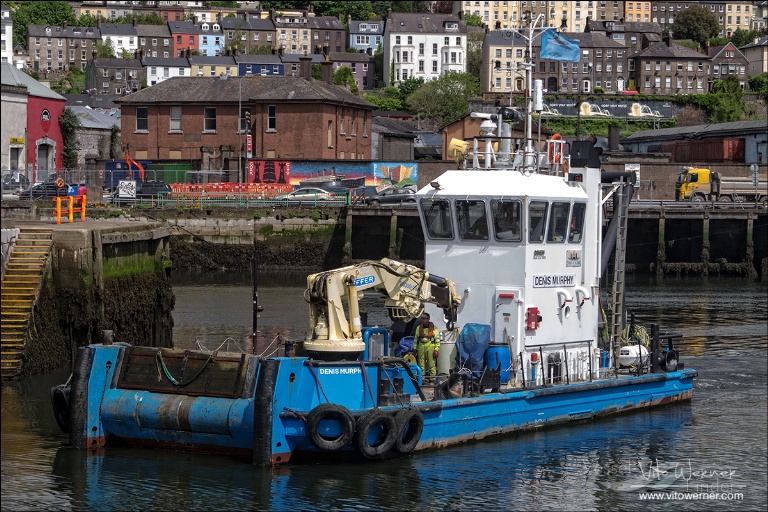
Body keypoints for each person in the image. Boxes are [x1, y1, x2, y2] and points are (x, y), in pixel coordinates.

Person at [413, 312, 439, 379]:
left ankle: (433, 379)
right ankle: (422, 379)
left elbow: (437, 339)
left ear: (428, 319)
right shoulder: (418, 328)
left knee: (431, 364)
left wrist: (436, 350)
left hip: (430, 346)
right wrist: (415, 349)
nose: (422, 320)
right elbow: (416, 339)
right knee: (421, 364)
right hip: (421, 346)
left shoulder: (434, 328)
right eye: (421, 318)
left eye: (424, 318)